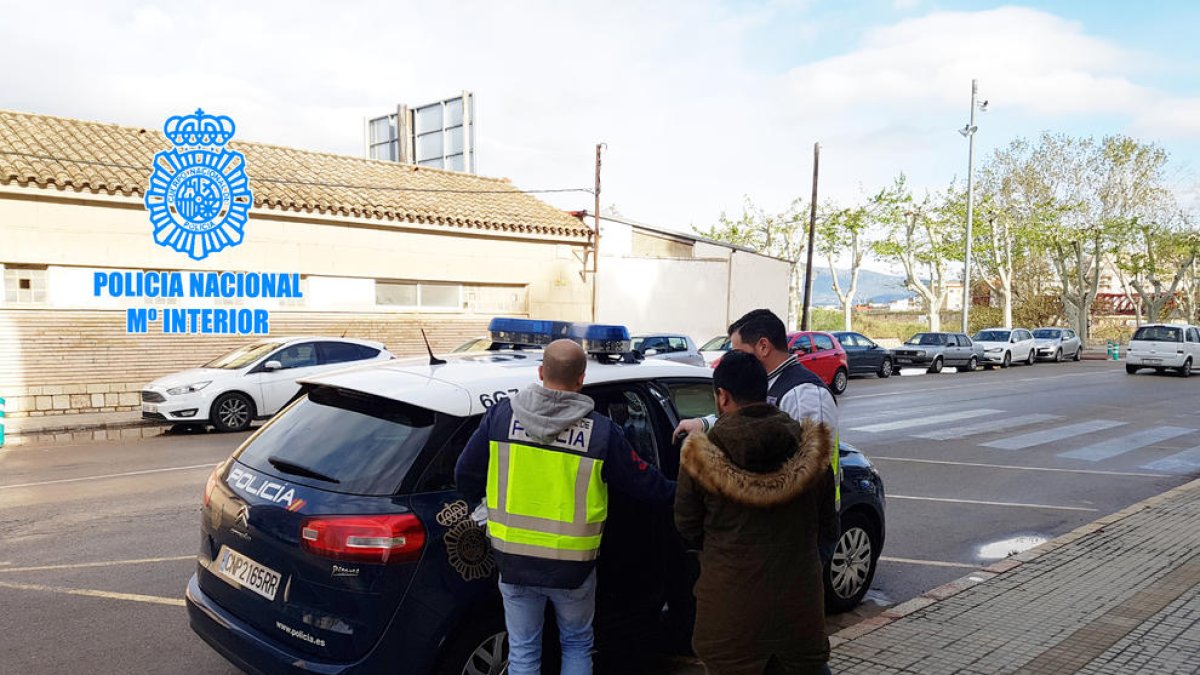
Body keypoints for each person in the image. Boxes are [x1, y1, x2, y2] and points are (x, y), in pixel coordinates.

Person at [455, 339, 676, 675]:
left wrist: (482, 510)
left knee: (524, 653)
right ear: (581, 379)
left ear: (541, 372)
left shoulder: (500, 417)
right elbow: (648, 487)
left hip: (513, 562)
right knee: (575, 644)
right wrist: (696, 488)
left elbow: (464, 473)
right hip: (573, 568)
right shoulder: (602, 433)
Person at [675, 350, 837, 675]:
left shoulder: (700, 459)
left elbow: (687, 527)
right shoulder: (812, 452)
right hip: (798, 611)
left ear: (722, 397)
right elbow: (827, 526)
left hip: (730, 614)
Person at [673, 309, 840, 558]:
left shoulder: (803, 393)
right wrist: (706, 424)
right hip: (776, 531)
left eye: (738, 351)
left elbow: (812, 469)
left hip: (798, 534)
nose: (734, 360)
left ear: (763, 346)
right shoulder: (770, 383)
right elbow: (750, 415)